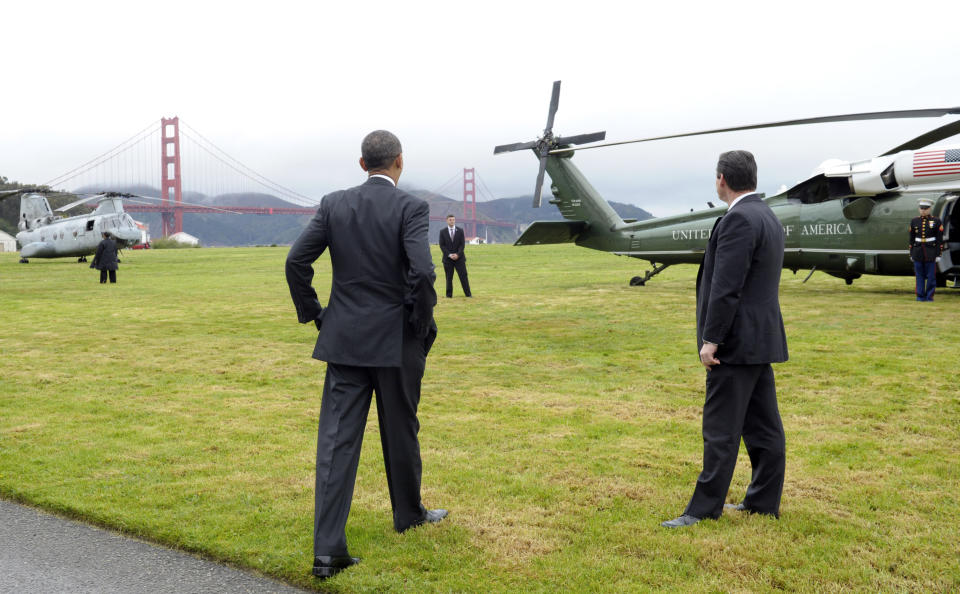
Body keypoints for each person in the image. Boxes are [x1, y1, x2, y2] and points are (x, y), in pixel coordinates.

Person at [285, 130, 447, 579]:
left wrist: (316, 314)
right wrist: (421, 325)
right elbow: (423, 271)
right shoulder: (411, 207)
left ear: (362, 165)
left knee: (336, 444)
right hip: (396, 341)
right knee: (402, 429)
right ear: (400, 161)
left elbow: (296, 262)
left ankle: (327, 550)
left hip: (346, 341)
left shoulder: (334, 203)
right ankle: (409, 513)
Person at [662, 150, 789, 528]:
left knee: (720, 430)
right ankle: (763, 501)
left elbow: (726, 288)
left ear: (722, 179)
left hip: (734, 344)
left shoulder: (738, 220)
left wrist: (711, 339)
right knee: (764, 427)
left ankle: (702, 510)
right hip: (760, 340)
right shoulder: (767, 215)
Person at [909, 197, 944, 302]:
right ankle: (920, 296)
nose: (923, 210)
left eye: (926, 208)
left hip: (930, 251)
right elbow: (911, 239)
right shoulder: (914, 221)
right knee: (919, 276)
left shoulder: (936, 221)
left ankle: (929, 296)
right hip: (918, 251)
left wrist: (938, 254)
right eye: (921, 208)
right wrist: (911, 253)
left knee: (931, 276)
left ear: (930, 209)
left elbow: (939, 239)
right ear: (919, 209)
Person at [438, 214, 471, 298]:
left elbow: (462, 244)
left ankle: (468, 294)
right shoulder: (442, 231)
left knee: (463, 277)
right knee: (449, 278)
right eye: (450, 220)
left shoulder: (460, 230)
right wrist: (449, 254)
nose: (452, 221)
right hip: (448, 259)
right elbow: (442, 245)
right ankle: (449, 296)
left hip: (459, 259)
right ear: (447, 220)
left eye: (453, 220)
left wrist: (458, 254)